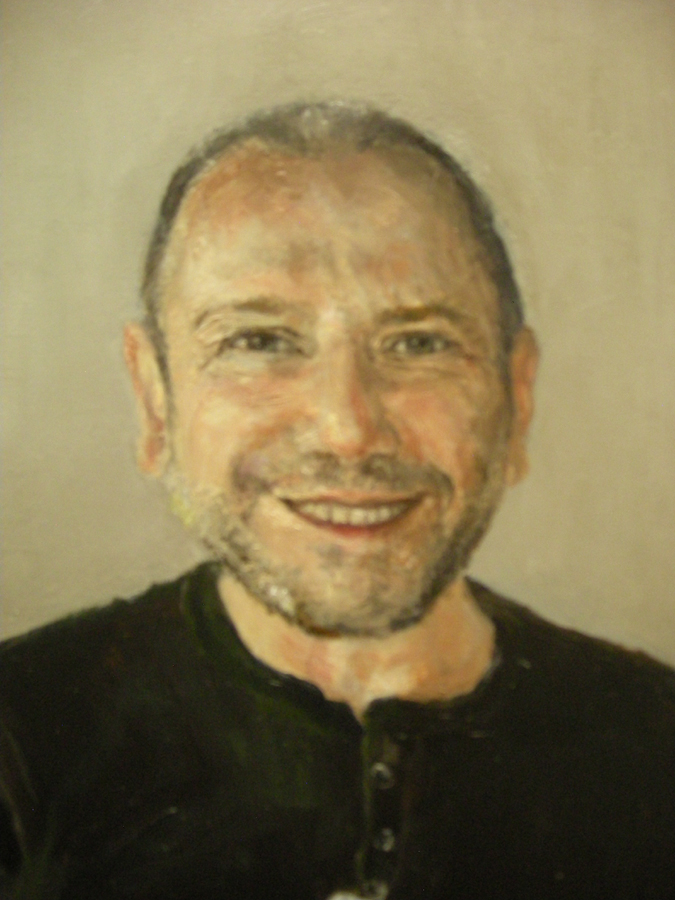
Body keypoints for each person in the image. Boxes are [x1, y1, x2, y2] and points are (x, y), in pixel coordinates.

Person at [1, 102, 673, 900]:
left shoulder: (653, 741)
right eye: (258, 341)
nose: (349, 429)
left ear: (515, 397)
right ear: (155, 401)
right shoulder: (22, 738)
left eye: (418, 343)